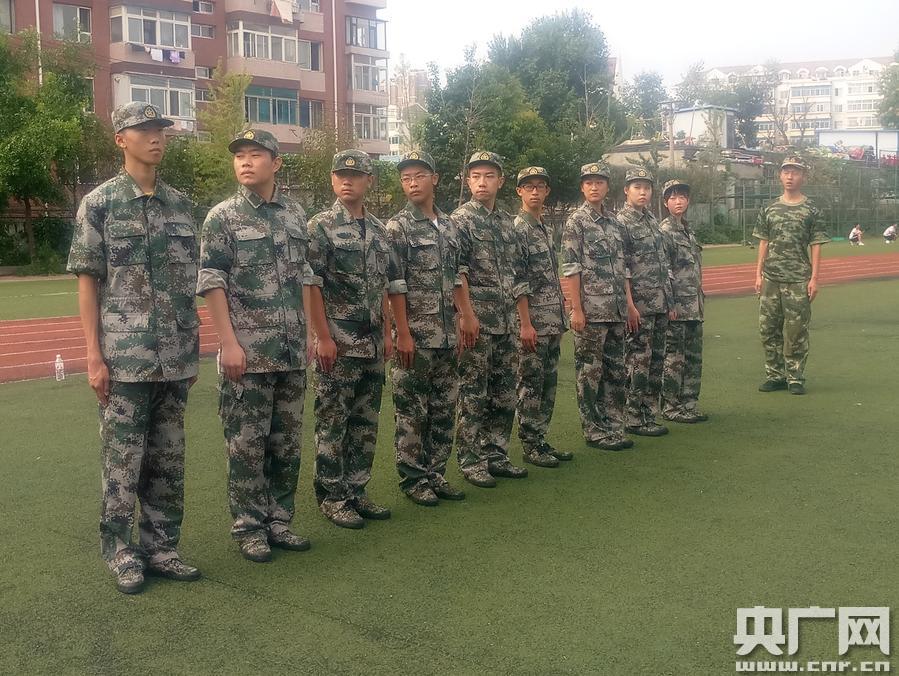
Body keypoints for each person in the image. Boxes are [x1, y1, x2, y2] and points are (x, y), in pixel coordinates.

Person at [66, 102, 201, 594]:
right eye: (143, 130)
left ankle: (162, 548)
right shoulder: (99, 204)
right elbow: (88, 283)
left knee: (168, 459)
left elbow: (188, 283)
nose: (155, 137)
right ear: (121, 139)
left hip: (175, 356)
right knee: (122, 461)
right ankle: (121, 551)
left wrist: (192, 350)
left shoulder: (181, 205)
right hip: (124, 359)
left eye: (160, 129)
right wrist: (93, 355)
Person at [197, 129, 313, 562]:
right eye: (239, 155)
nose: (245, 162)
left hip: (290, 351)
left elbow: (303, 277)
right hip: (246, 354)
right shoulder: (222, 217)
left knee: (287, 444)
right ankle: (250, 528)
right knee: (246, 446)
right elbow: (212, 281)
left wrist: (307, 334)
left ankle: (280, 521)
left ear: (276, 163)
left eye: (256, 154)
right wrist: (227, 343)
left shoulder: (295, 214)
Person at [306, 150, 394, 528]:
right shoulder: (320, 226)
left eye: (355, 175)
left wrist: (388, 332)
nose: (347, 180)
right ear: (332, 179)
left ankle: (357, 490)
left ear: (368, 181)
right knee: (333, 421)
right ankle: (332, 496)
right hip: (338, 344)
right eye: (340, 174)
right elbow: (311, 284)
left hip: (371, 342)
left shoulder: (378, 229)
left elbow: (384, 285)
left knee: (365, 422)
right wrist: (322, 336)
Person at [386, 151, 467, 506]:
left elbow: (455, 276)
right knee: (412, 411)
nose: (412, 183)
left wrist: (463, 318)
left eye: (419, 175)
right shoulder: (397, 228)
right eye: (406, 178)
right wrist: (402, 333)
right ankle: (414, 479)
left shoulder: (449, 225)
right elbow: (394, 285)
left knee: (443, 409)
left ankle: (436, 473)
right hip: (415, 336)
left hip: (447, 334)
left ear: (434, 179)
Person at [453, 151, 530, 488]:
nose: (481, 182)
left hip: (506, 321)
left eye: (488, 176)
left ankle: (496, 454)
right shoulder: (461, 220)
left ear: (500, 181)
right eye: (475, 176)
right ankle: (471, 461)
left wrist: (522, 321)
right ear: (467, 181)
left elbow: (517, 274)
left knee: (504, 393)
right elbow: (457, 272)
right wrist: (466, 315)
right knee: (473, 393)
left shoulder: (507, 223)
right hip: (478, 324)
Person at [562, 162, 633, 451]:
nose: (594, 187)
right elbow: (571, 268)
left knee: (615, 371)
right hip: (591, 312)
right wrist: (576, 309)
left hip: (615, 310)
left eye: (599, 182)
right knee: (590, 373)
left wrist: (627, 305)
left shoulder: (615, 223)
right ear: (582, 187)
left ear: (607, 187)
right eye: (589, 182)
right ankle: (593, 430)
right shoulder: (576, 222)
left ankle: (614, 426)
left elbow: (623, 267)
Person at [753, 156, 831, 395]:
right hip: (771, 278)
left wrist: (814, 278)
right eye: (786, 171)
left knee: (796, 330)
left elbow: (816, 244)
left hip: (798, 279)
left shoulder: (812, 210)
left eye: (795, 172)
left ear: (803, 177)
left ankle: (795, 377)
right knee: (768, 329)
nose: (790, 176)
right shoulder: (769, 208)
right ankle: (775, 375)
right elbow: (764, 241)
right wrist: (758, 274)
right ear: (780, 175)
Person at [513, 166, 571, 467]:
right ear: (519, 192)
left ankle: (540, 439)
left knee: (548, 384)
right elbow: (519, 281)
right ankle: (530, 444)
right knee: (530, 384)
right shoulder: (518, 229)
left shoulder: (544, 227)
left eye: (540, 186)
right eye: (529, 186)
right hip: (533, 322)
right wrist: (525, 323)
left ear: (547, 191)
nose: (534, 191)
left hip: (552, 320)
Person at [617, 168, 675, 437]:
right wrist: (629, 305)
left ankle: (649, 413)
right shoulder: (622, 222)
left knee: (657, 361)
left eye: (647, 188)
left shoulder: (652, 219)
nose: (642, 192)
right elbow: (623, 269)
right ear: (626, 190)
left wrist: (669, 300)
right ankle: (632, 416)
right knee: (637, 361)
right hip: (639, 306)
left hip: (659, 303)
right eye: (637, 187)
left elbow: (663, 264)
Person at [659, 179, 708, 423]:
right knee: (674, 358)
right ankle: (671, 406)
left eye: (682, 197)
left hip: (694, 305)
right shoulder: (665, 232)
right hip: (677, 306)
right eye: (673, 198)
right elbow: (664, 271)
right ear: (665, 202)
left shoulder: (688, 230)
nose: (678, 202)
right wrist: (670, 304)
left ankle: (689, 403)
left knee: (693, 358)